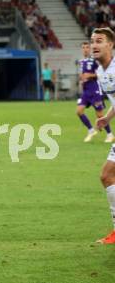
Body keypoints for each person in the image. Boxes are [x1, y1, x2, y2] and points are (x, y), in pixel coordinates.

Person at [91, 27, 115, 244]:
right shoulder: (100, 71)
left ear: (111, 44)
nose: (94, 45)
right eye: (92, 41)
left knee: (107, 175)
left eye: (99, 41)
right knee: (107, 176)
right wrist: (107, 118)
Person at [77, 41, 114, 143]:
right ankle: (91, 130)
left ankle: (110, 134)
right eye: (83, 47)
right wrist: (82, 78)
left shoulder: (95, 60)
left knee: (100, 115)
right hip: (86, 91)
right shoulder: (81, 62)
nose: (85, 49)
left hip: (95, 90)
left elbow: (101, 73)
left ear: (90, 49)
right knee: (79, 111)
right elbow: (82, 74)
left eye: (87, 47)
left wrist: (90, 76)